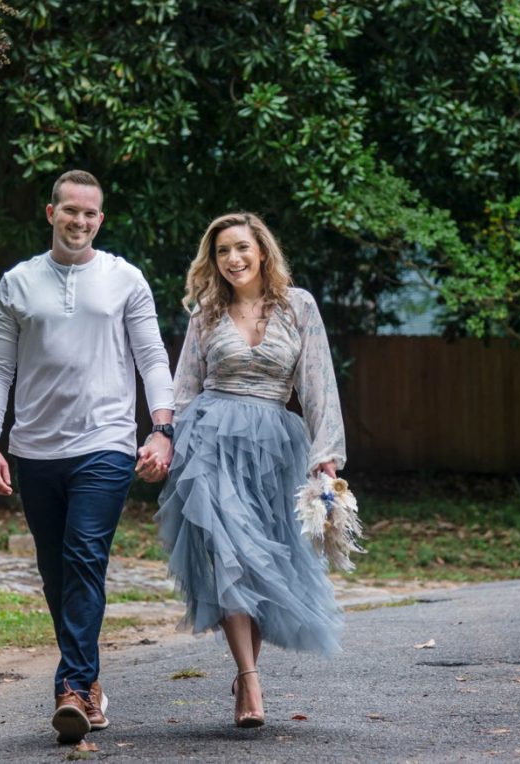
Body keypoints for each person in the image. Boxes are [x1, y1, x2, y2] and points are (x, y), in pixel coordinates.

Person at [0, 170, 177, 744]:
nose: (80, 221)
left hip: (106, 443)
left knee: (85, 555)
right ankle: (89, 684)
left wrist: (161, 429)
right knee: (56, 571)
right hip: (35, 448)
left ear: (100, 219)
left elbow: (153, 359)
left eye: (90, 214)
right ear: (50, 213)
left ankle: (71, 687)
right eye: (70, 211)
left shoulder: (125, 279)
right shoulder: (17, 283)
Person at [152, 211, 346, 728]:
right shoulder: (206, 313)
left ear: (262, 250)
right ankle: (252, 681)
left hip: (277, 448)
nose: (233, 259)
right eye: (222, 252)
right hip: (210, 441)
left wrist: (325, 459)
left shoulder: (297, 305)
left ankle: (244, 675)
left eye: (241, 248)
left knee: (259, 559)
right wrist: (167, 441)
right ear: (213, 261)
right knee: (229, 550)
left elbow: (318, 384)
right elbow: (184, 386)